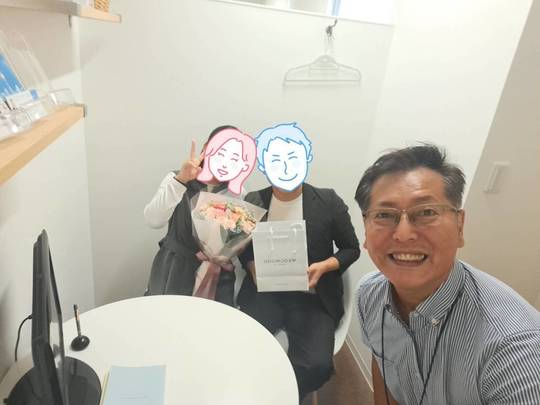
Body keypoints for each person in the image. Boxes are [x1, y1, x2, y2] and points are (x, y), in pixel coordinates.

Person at [354, 144, 540, 405]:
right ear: (365, 230)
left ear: (460, 226)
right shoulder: (368, 295)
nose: (404, 234)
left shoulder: (516, 350)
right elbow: (383, 366)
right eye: (384, 215)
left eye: (426, 212)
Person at [237, 123, 360, 400]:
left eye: (293, 158)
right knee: (243, 347)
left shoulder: (328, 201)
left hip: (313, 297)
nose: (285, 167)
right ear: (264, 165)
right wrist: (251, 265)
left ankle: (285, 395)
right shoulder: (255, 200)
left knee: (316, 364)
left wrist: (325, 266)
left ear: (306, 158)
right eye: (275, 160)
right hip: (266, 293)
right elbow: (243, 248)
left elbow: (351, 249)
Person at [144, 125, 256, 305]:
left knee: (211, 321)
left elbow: (238, 239)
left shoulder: (238, 193)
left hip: (218, 276)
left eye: (234, 158)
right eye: (221, 153)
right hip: (175, 269)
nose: (225, 162)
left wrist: (227, 252)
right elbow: (153, 220)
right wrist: (181, 181)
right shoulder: (177, 179)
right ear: (206, 148)